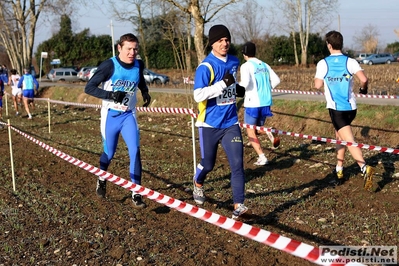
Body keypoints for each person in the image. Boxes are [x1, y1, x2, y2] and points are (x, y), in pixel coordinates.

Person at [85, 33, 151, 208]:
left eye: (135, 49)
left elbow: (140, 80)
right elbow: (89, 87)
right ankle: (102, 177)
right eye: (129, 49)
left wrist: (145, 91)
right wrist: (110, 95)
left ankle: (136, 192)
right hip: (110, 116)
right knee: (109, 152)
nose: (132, 52)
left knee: (135, 150)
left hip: (129, 115)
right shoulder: (109, 65)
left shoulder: (139, 64)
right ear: (119, 48)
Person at [192, 24, 248, 219]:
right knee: (208, 164)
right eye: (220, 40)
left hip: (230, 122)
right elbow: (198, 95)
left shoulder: (234, 61)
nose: (225, 43)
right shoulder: (205, 67)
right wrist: (222, 84)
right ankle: (198, 183)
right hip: (209, 123)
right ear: (212, 43)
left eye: (227, 39)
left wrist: (238, 89)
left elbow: (231, 85)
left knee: (237, 164)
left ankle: (238, 205)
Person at [314, 30, 374, 191]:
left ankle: (364, 168)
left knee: (349, 141)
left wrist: (325, 81)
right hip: (351, 108)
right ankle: (339, 169)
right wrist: (363, 89)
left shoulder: (323, 63)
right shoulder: (351, 61)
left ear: (329, 45)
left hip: (336, 109)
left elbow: (317, 85)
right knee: (339, 136)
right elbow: (364, 79)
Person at [239, 41, 281, 166]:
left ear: (244, 54)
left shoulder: (246, 66)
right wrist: (266, 89)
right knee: (256, 130)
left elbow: (245, 83)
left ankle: (262, 157)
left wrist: (235, 89)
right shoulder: (264, 65)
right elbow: (277, 80)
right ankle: (269, 131)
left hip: (252, 103)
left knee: (250, 131)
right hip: (265, 102)